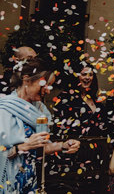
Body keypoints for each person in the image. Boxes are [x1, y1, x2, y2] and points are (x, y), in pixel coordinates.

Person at [0, 58, 80, 193]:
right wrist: (22, 146)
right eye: (44, 85)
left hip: (30, 179)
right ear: (27, 80)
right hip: (8, 181)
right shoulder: (4, 110)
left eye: (50, 86)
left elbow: (41, 147)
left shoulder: (41, 110)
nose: (48, 91)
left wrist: (63, 145)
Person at [53, 63, 110, 138]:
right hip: (74, 144)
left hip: (96, 144)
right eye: (84, 74)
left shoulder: (95, 99)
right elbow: (59, 126)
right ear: (76, 76)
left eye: (90, 75)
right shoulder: (65, 98)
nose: (87, 77)